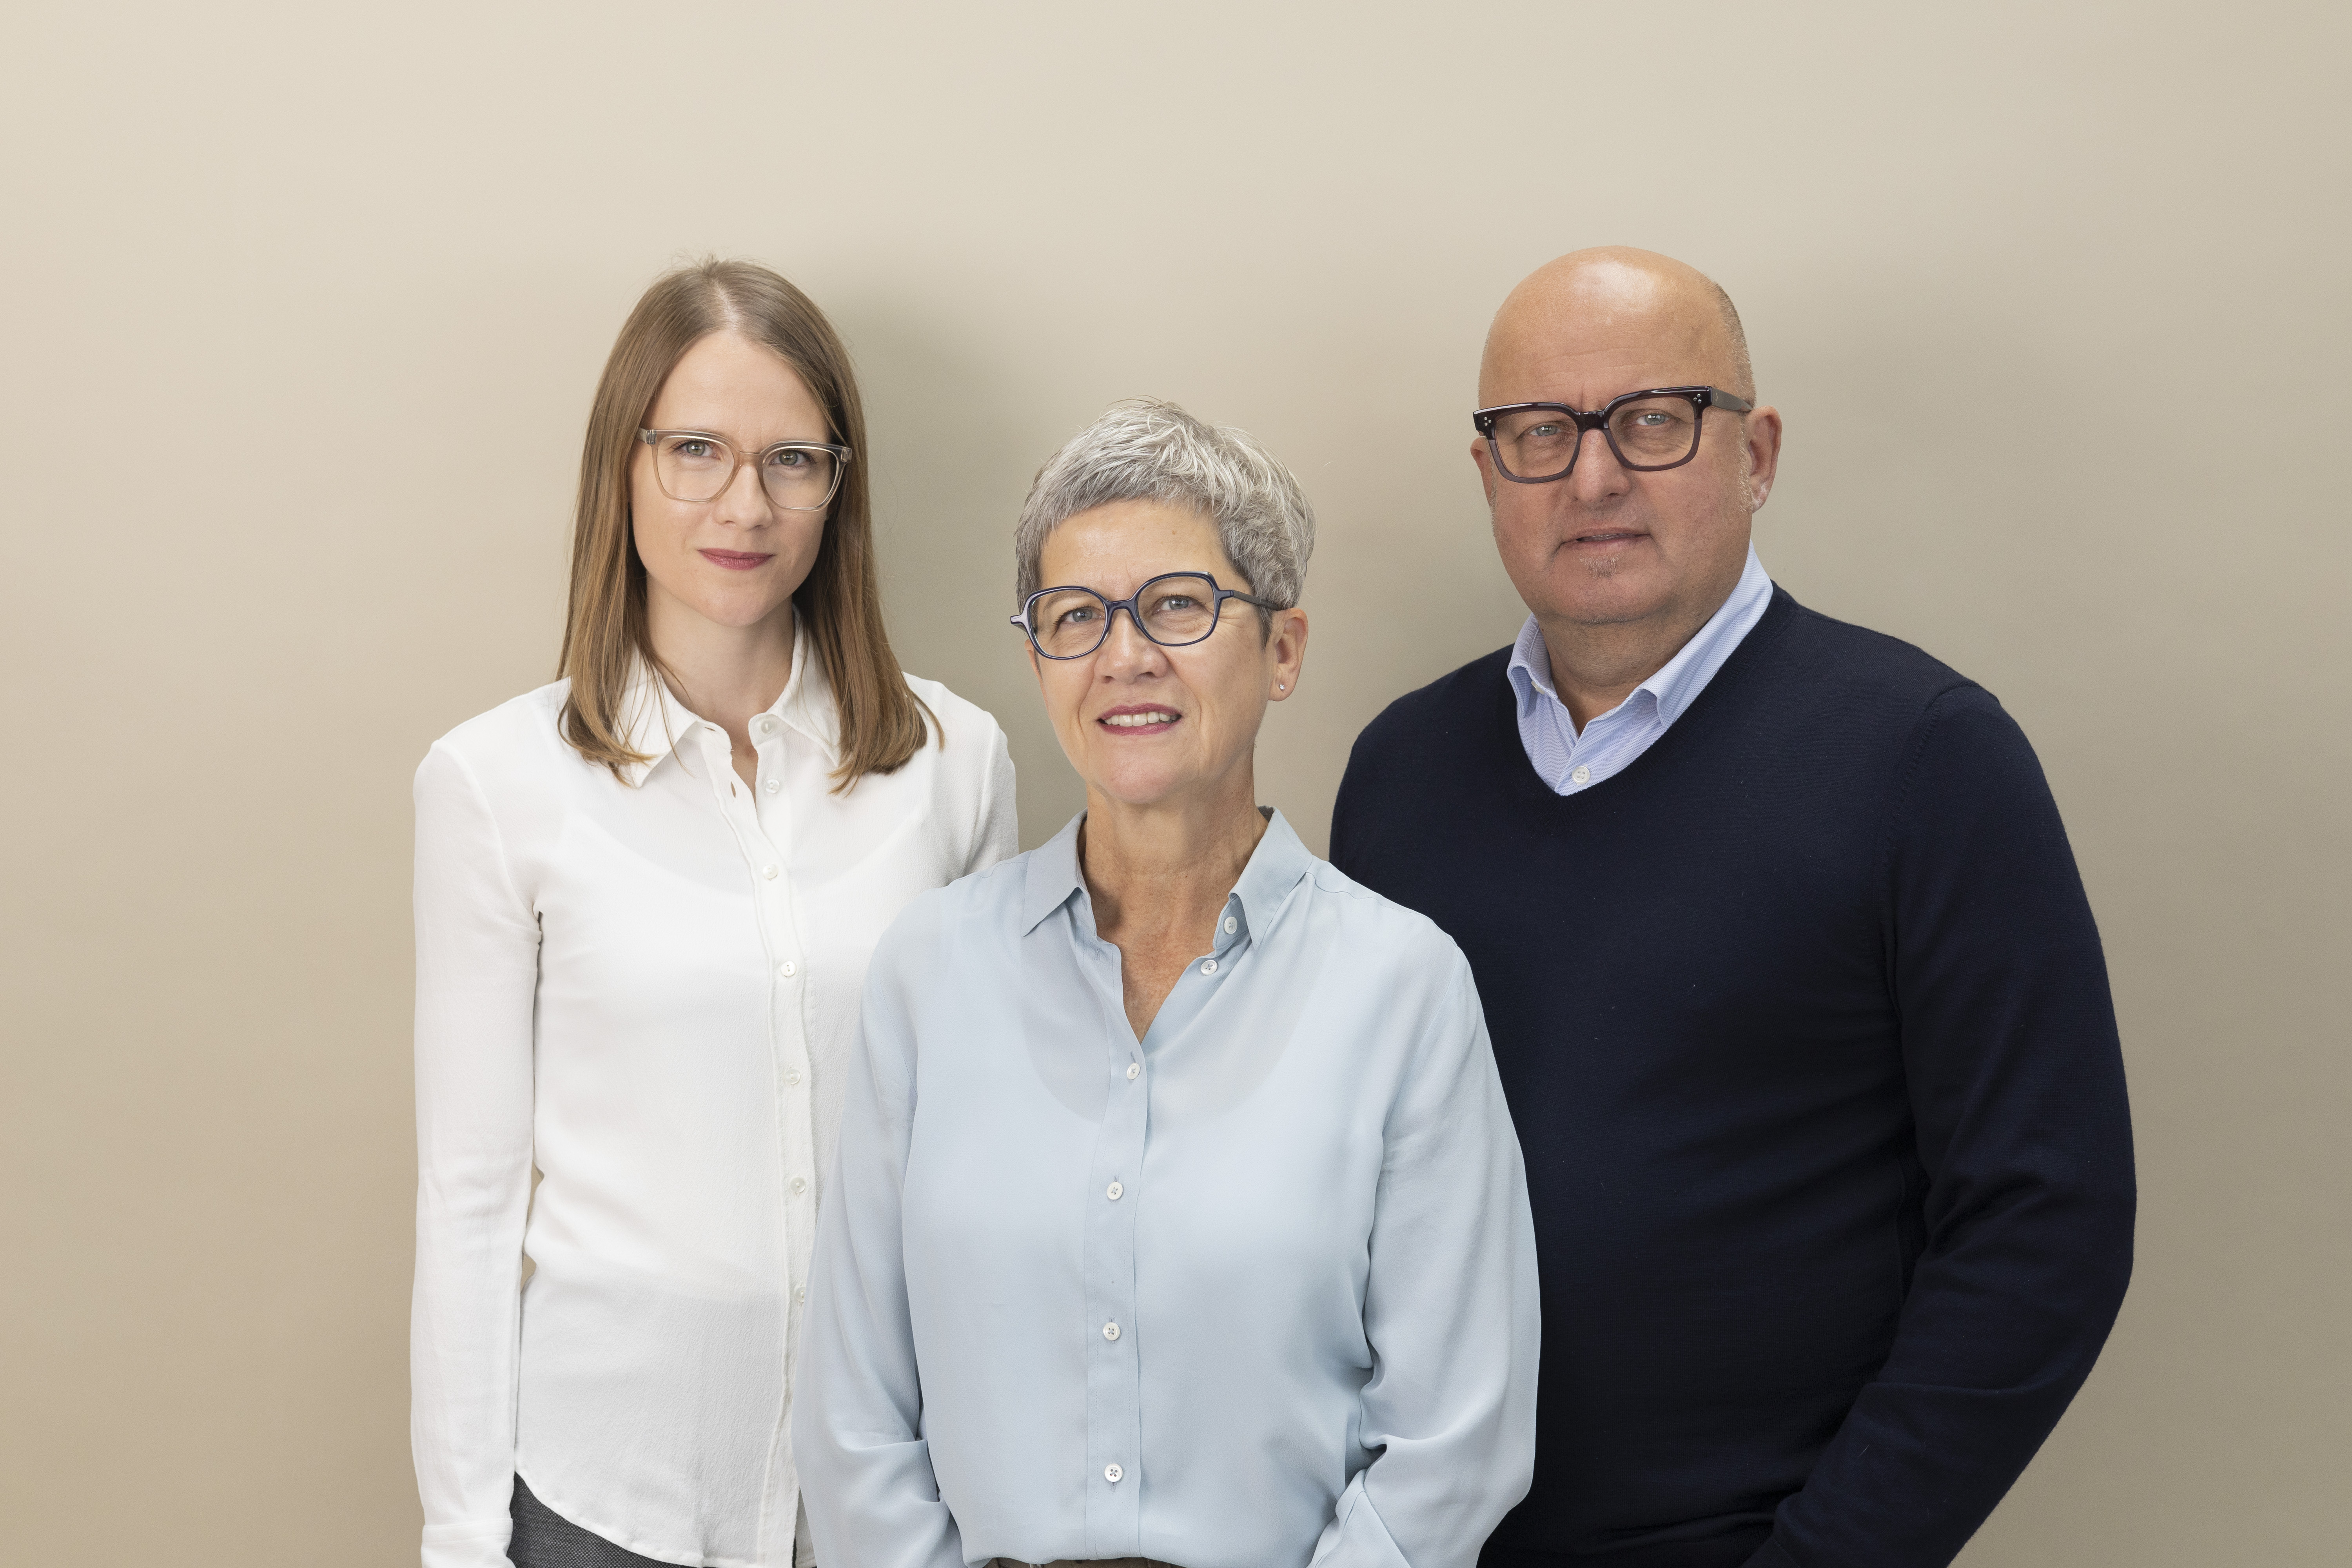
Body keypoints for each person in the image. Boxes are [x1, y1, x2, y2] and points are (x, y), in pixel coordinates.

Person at [1329, 249, 2136, 1568]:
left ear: (1755, 454)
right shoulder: (1399, 773)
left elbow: (2047, 1223)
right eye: (1540, 433)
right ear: (1489, 475)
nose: (1594, 478)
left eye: (1652, 421)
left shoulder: (1928, 759)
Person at [790, 400, 1540, 1568]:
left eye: (1178, 606)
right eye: (1075, 616)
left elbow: (1457, 1439)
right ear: (1039, 659)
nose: (1124, 656)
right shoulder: (931, 973)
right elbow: (854, 1417)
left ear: (1282, 650)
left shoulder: (1404, 991)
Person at [410, 259, 1018, 1568]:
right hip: (605, 1501)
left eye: (793, 460)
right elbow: (469, 1198)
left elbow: (988, 1161)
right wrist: (461, 1540)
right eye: (696, 450)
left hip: (889, 1496)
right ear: (622, 465)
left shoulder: (956, 764)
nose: (746, 505)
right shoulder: (494, 785)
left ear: (838, 487)